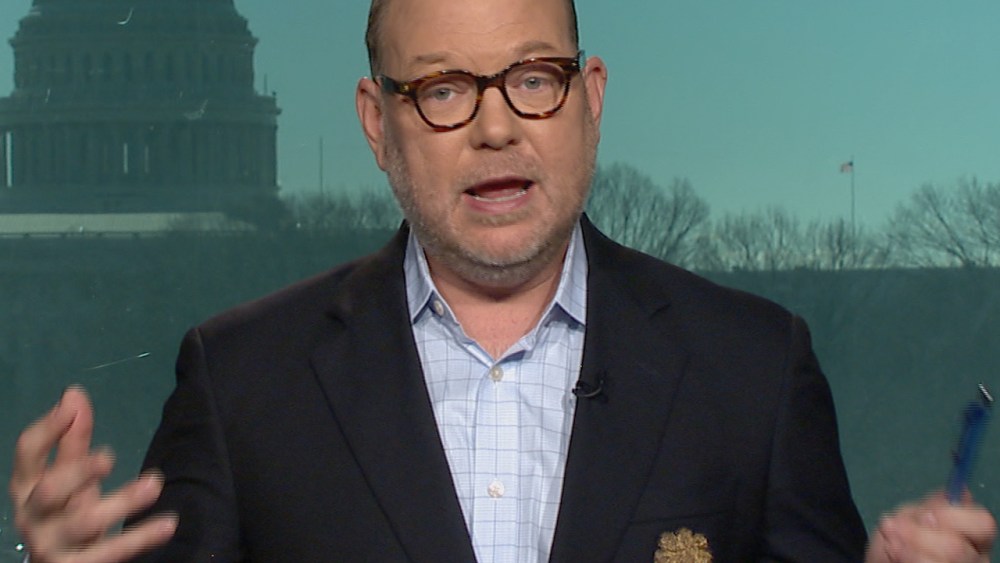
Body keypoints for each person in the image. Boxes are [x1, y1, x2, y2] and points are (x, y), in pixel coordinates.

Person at [9, 0, 996, 561]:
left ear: (590, 98)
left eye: (532, 79)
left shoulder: (753, 366)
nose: (495, 127)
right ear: (376, 123)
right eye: (443, 89)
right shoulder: (241, 380)